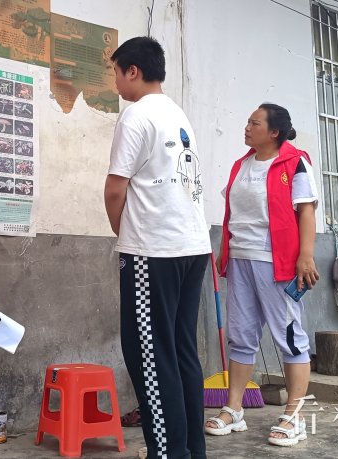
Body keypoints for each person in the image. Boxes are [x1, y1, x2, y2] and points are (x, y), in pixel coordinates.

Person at [104, 36, 212, 459]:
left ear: (133, 71)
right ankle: (190, 449)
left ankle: (167, 452)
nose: (114, 79)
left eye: (115, 71)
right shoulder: (176, 113)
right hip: (192, 247)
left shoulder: (136, 116)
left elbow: (116, 190)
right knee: (182, 349)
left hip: (154, 250)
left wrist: (124, 233)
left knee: (149, 356)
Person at [204, 104, 319, 447]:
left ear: (273, 132)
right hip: (241, 260)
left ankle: (294, 414)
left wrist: (306, 256)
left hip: (278, 263)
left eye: (254, 123)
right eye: (247, 121)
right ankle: (233, 408)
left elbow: (307, 211)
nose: (247, 127)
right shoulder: (241, 165)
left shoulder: (294, 163)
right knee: (241, 335)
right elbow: (233, 212)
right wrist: (226, 248)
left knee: (289, 336)